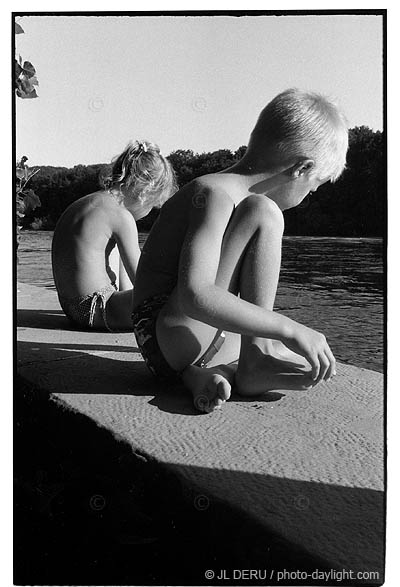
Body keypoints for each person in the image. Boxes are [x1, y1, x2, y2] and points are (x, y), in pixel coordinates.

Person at [132, 89, 349, 412]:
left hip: (183, 345)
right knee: (264, 212)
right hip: (167, 338)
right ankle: (254, 358)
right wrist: (288, 328)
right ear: (301, 169)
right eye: (313, 187)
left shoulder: (229, 199)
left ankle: (214, 372)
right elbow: (195, 295)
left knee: (300, 357)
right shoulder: (214, 195)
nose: (309, 196)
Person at [52, 140, 177, 331]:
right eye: (153, 205)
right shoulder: (121, 216)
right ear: (145, 191)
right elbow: (144, 281)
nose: (150, 211)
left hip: (73, 307)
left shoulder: (88, 203)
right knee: (178, 295)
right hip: (99, 308)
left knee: (117, 248)